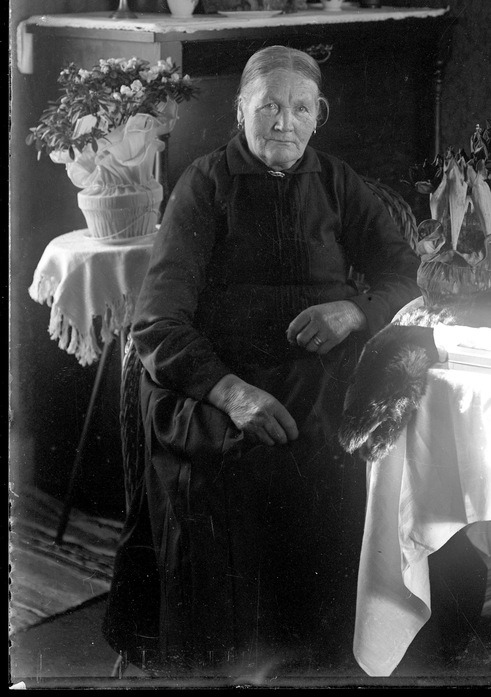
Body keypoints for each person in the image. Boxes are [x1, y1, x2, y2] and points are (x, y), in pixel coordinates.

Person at [103, 46, 421, 676]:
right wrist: (231, 393)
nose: (284, 122)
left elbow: (406, 275)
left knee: (343, 455)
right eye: (269, 106)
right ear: (240, 109)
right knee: (239, 469)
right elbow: (157, 322)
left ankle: (338, 654)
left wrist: (354, 311)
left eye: (300, 108)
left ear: (318, 114)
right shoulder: (204, 186)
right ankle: (240, 663)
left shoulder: (337, 181)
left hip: (321, 372)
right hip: (218, 377)